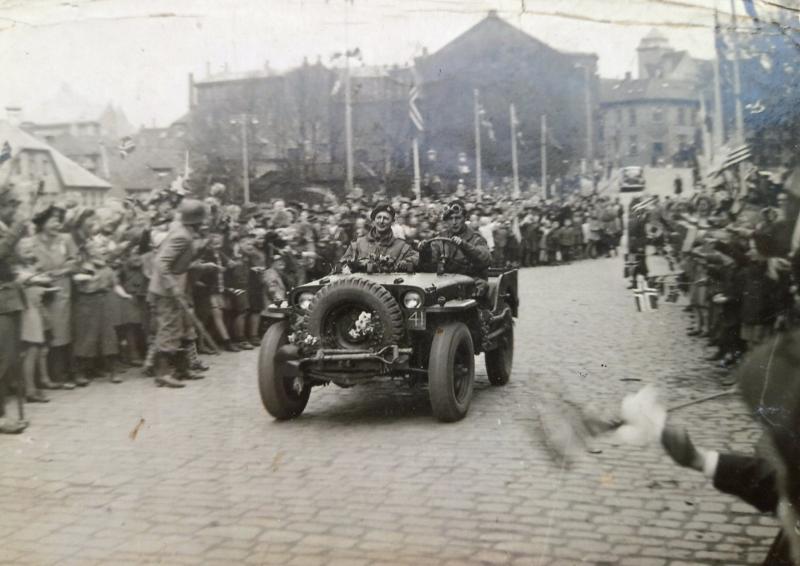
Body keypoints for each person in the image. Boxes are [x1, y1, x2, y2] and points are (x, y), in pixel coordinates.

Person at [148, 199, 207, 388]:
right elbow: (161, 262)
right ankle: (162, 373)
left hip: (177, 285)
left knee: (182, 327)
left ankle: (182, 369)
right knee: (169, 328)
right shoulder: (182, 236)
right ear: (195, 221)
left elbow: (179, 262)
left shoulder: (184, 231)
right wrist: (173, 286)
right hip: (167, 290)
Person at [0, 185, 29, 433]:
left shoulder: (5, 229)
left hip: (9, 299)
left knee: (9, 358)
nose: (14, 210)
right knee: (2, 359)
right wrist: (15, 234)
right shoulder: (7, 231)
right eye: (10, 204)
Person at [430, 200, 492, 295]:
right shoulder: (440, 238)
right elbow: (431, 261)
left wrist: (464, 245)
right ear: (446, 221)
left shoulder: (475, 237)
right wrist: (423, 253)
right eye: (450, 219)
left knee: (480, 288)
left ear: (464, 218)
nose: (454, 222)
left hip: (471, 281)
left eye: (458, 218)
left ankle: (481, 310)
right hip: (445, 281)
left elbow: (485, 259)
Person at [338, 203, 418, 273]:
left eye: (386, 218)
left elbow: (417, 259)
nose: (381, 221)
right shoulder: (358, 244)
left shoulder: (401, 246)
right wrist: (356, 265)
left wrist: (406, 262)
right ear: (373, 220)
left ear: (392, 221)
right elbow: (342, 265)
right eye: (379, 217)